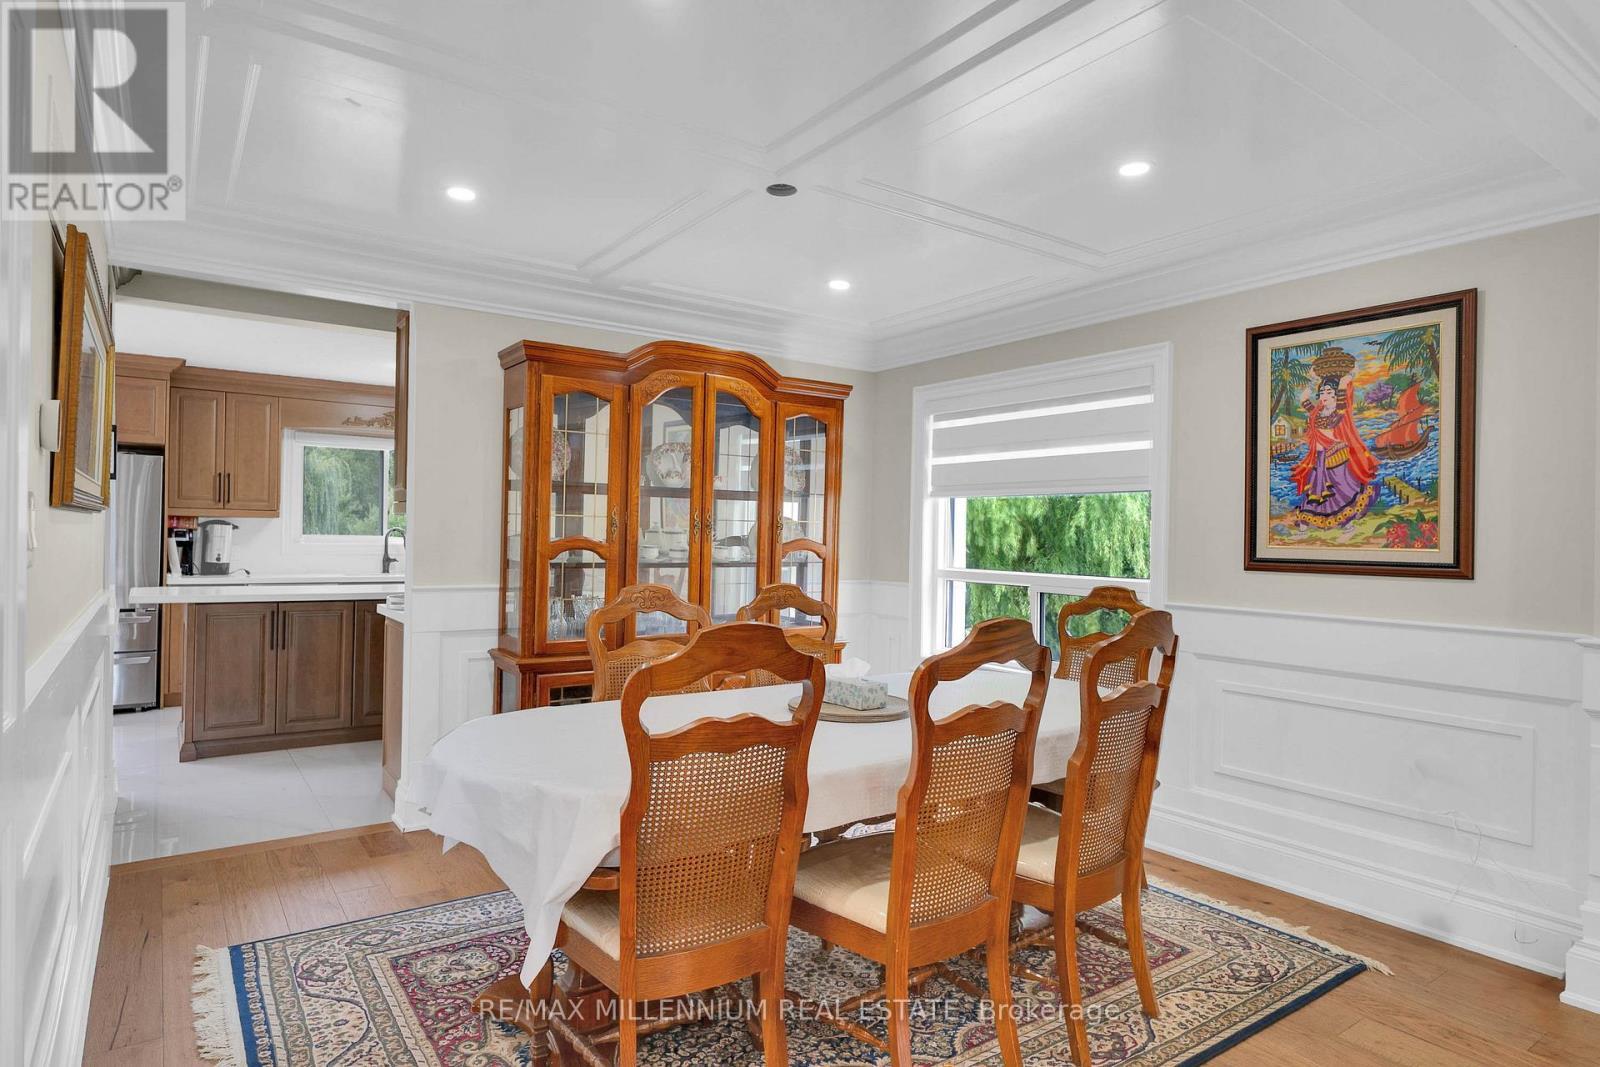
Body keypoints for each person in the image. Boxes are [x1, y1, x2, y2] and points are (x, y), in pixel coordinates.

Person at [1290, 358, 1377, 530]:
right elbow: (1304, 398)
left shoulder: (1339, 410)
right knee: (1315, 490)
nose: (1324, 396)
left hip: (1336, 456)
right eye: (1322, 392)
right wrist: (1314, 379)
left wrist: (1348, 378)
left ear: (1336, 395)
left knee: (1341, 489)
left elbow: (1344, 389)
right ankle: (1309, 521)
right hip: (1319, 458)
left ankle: (1347, 521)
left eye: (1329, 392)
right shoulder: (1317, 412)